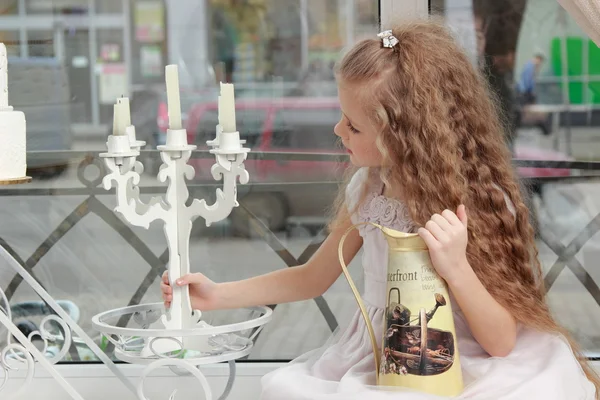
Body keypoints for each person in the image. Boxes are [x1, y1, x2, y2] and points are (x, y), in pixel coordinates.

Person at [161, 19, 599, 399]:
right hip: (377, 358)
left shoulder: (475, 204)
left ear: (402, 136)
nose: (338, 130)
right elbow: (312, 278)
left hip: (462, 360)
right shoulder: (368, 190)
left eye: (352, 125)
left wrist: (456, 267)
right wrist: (218, 295)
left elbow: (501, 343)